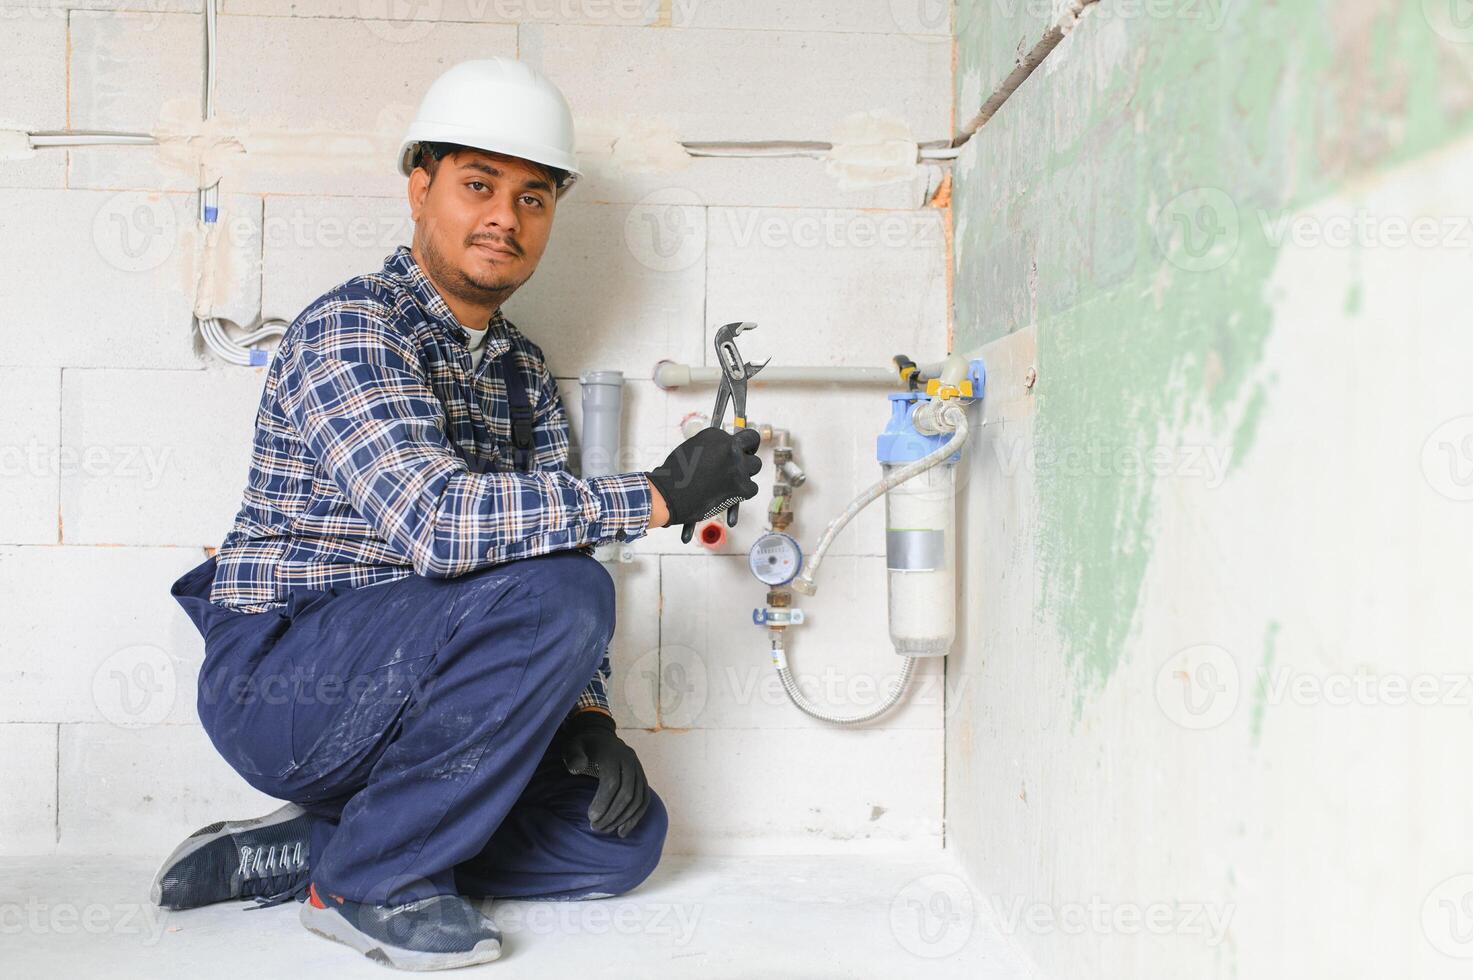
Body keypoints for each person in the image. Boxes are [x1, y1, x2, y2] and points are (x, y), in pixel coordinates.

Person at [151, 58, 761, 971]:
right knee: (563, 590)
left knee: (618, 840)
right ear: (419, 186)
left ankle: (327, 849)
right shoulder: (353, 329)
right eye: (479, 185)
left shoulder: (519, 370)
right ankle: (371, 886)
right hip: (284, 683)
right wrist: (660, 494)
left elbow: (542, 550)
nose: (503, 220)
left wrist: (587, 720)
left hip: (417, 693)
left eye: (532, 199)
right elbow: (435, 525)